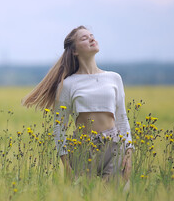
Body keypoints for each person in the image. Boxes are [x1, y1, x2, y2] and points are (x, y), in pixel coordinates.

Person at [22, 25, 134, 184]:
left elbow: (122, 118)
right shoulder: (67, 85)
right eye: (84, 38)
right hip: (82, 148)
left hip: (114, 145)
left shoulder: (114, 78)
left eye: (92, 35)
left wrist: (128, 153)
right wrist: (66, 165)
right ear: (74, 51)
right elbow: (59, 127)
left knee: (116, 195)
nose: (91, 38)